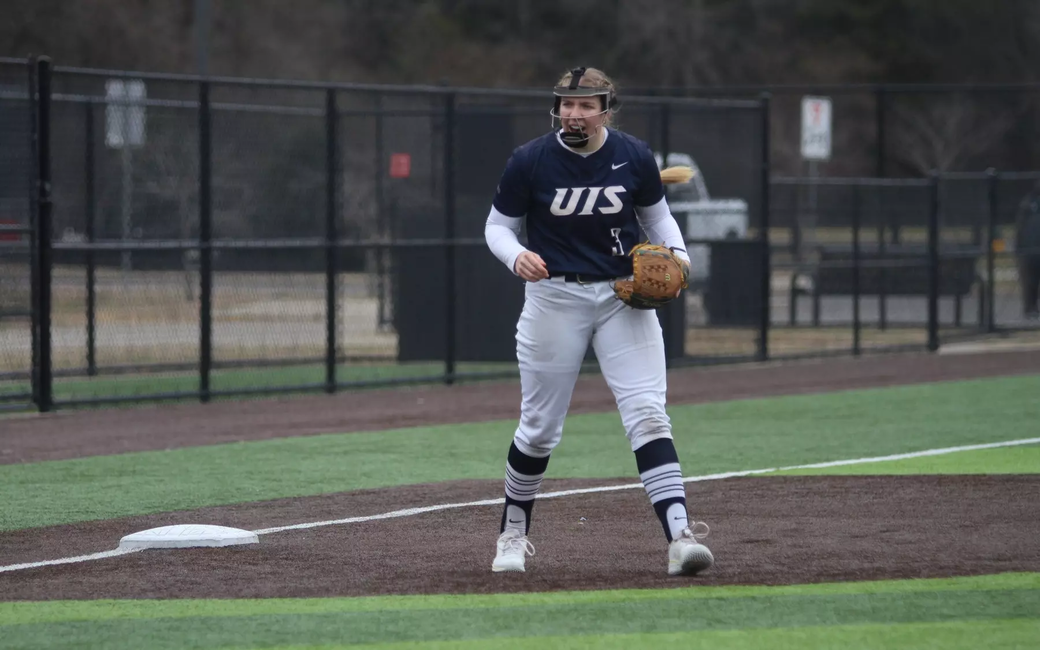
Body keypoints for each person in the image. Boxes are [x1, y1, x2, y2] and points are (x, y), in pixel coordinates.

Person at [483, 66, 714, 576]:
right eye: (567, 103)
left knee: (649, 414)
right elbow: (498, 226)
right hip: (553, 298)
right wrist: (515, 255)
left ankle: (680, 536)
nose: (574, 112)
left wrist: (680, 258)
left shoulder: (632, 154)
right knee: (540, 429)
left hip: (619, 298)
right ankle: (513, 534)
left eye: (586, 105)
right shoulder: (531, 160)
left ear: (606, 110)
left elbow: (658, 220)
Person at [1015, 180, 1040, 320]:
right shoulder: (1028, 203)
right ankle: (1030, 308)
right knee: (1030, 280)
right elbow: (1020, 226)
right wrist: (1019, 247)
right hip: (1029, 248)